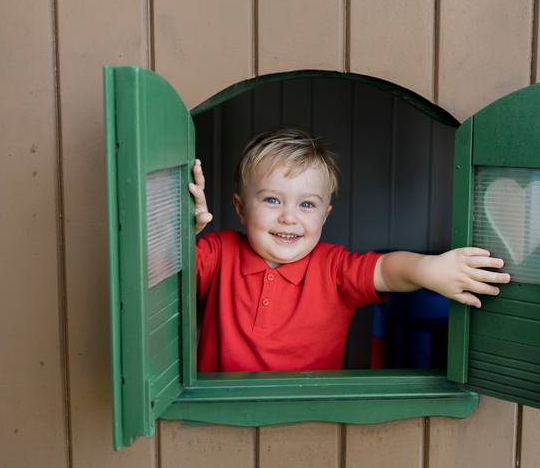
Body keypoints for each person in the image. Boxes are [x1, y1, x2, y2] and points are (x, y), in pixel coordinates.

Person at [189, 128, 510, 372]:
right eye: (272, 200)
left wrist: (428, 269)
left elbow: (386, 270)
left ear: (325, 214)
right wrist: (185, 231)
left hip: (310, 418)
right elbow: (169, 269)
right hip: (220, 415)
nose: (289, 217)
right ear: (241, 208)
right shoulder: (218, 252)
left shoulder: (334, 267)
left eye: (306, 204)